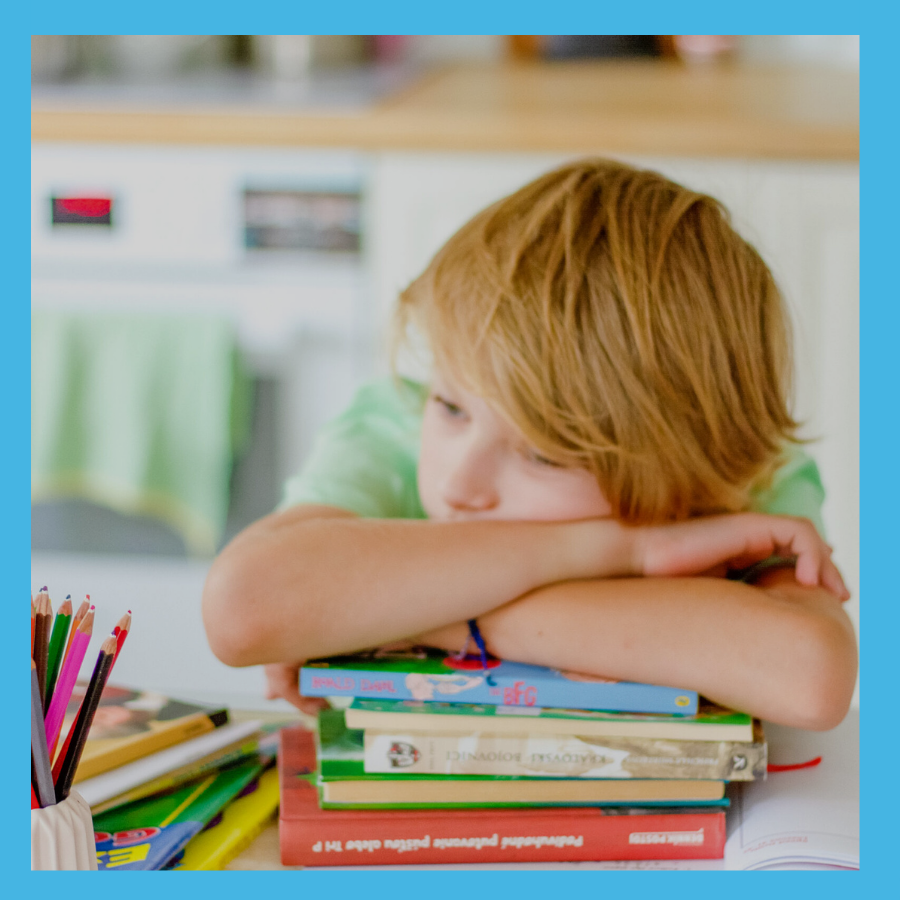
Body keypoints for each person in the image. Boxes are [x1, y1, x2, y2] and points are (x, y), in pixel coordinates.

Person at [202, 159, 857, 730]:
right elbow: (243, 609)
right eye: (453, 407)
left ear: (688, 475)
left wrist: (396, 614)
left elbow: (811, 677)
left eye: (542, 453)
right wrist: (624, 549)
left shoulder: (748, 484)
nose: (460, 484)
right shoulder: (393, 425)